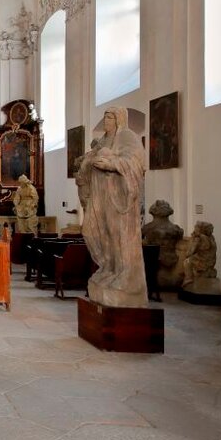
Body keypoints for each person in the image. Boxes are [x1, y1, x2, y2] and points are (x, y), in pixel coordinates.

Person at [77, 106, 148, 308]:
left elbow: (137, 162)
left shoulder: (127, 137)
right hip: (100, 196)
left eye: (110, 117)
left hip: (118, 197)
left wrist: (111, 164)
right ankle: (108, 268)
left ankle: (126, 276)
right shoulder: (102, 141)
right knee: (93, 231)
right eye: (105, 117)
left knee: (119, 234)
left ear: (118, 119)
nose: (106, 120)